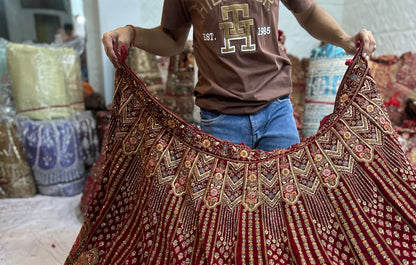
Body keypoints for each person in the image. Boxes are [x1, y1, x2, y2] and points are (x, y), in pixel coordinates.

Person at [102, 1, 376, 151]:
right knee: (227, 220)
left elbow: (309, 13)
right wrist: (132, 34)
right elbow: (172, 38)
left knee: (285, 209)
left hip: (277, 111)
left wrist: (344, 38)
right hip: (221, 118)